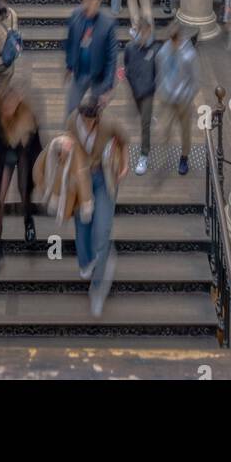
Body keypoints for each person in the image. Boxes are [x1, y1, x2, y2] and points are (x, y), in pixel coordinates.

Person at [65, 92, 128, 316]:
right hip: (83, 178)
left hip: (104, 177)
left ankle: (98, 288)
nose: (87, 123)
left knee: (102, 230)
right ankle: (87, 263)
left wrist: (125, 165)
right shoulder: (72, 121)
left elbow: (123, 140)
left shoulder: (109, 122)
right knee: (82, 224)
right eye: (85, 118)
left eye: (92, 119)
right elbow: (69, 145)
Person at [0, 84, 42, 277]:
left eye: (11, 107)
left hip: (23, 152)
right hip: (5, 152)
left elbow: (37, 144)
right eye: (6, 107)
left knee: (24, 190)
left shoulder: (27, 116)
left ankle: (28, 221)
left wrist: (41, 166)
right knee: (0, 198)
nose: (8, 111)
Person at [64, 0, 118, 114]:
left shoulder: (107, 24)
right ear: (83, 1)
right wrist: (69, 65)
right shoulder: (75, 17)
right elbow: (70, 42)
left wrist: (108, 85)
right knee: (71, 111)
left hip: (98, 75)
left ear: (98, 3)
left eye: (94, 2)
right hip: (80, 72)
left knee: (95, 113)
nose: (90, 6)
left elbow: (112, 57)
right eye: (87, 2)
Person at [155, 21, 200, 175]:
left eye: (176, 39)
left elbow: (195, 80)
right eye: (171, 39)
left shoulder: (189, 55)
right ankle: (163, 159)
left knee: (185, 131)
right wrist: (162, 91)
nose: (174, 42)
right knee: (164, 129)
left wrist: (187, 96)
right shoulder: (163, 52)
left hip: (184, 101)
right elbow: (160, 73)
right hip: (167, 99)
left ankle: (184, 157)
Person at [124, 19, 159, 174]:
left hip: (149, 92)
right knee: (143, 115)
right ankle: (148, 116)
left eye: (147, 33)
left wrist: (153, 85)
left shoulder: (155, 49)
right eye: (142, 33)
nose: (144, 37)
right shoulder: (130, 48)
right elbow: (127, 66)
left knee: (144, 124)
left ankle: (144, 155)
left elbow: (158, 71)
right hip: (135, 90)